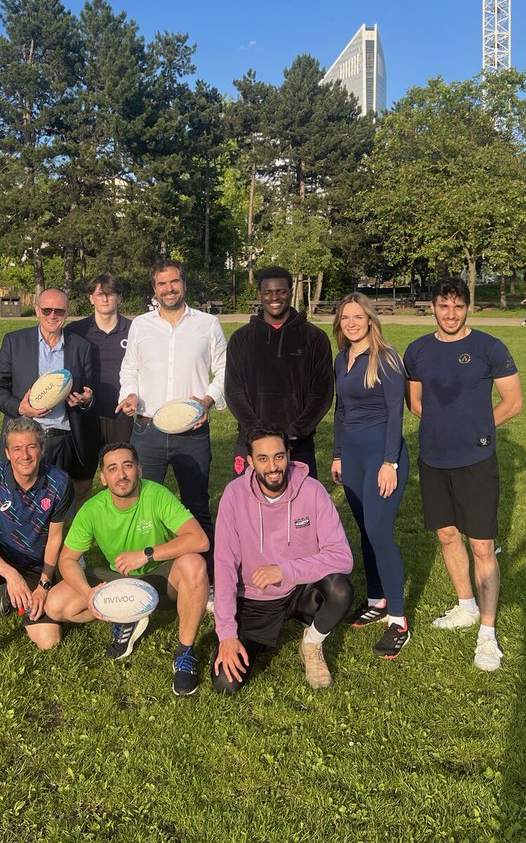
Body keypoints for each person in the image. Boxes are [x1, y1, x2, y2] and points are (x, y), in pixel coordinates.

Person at [404, 277, 523, 672]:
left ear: (467, 307)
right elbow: (415, 402)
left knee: (483, 546)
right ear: (432, 308)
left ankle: (487, 633)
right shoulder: (417, 350)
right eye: (444, 305)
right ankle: (465, 606)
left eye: (458, 306)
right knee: (446, 534)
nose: (451, 314)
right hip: (434, 459)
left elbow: (513, 402)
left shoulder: (490, 347)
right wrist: (445, 428)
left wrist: (475, 431)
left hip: (476, 460)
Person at [46, 441, 209, 695]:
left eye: (127, 466)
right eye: (112, 469)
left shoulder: (156, 494)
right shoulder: (92, 509)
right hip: (120, 579)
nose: (121, 475)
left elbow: (199, 540)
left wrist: (146, 554)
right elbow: (67, 560)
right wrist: (89, 594)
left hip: (163, 577)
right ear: (103, 478)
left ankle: (185, 654)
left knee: (194, 563)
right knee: (55, 605)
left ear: (139, 470)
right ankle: (126, 617)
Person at [212, 426, 353, 694]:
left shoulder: (312, 490)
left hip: (301, 589)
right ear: (250, 462)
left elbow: (342, 557)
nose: (273, 467)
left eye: (279, 456)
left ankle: (311, 643)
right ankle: (258, 638)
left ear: (288, 454)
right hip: (255, 597)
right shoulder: (233, 495)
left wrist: (284, 571)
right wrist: (227, 634)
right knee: (225, 684)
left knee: (339, 589)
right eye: (263, 459)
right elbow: (224, 566)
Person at [117, 259, 226, 571]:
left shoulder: (208, 324)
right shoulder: (141, 325)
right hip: (147, 430)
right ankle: (142, 574)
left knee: (196, 505)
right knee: (140, 504)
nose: (169, 289)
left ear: (184, 284)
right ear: (154, 289)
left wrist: (207, 401)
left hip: (192, 432)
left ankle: (206, 577)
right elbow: (129, 369)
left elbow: (224, 371)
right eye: (162, 284)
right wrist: (130, 394)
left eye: (174, 282)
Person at [0, 418, 72, 677]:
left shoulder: (60, 482)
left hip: (36, 565)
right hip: (0, 560)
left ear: (42, 448)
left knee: (49, 641)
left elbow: (55, 539)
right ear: (7, 453)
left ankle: (14, 595)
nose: (25, 455)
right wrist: (11, 575)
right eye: (17, 449)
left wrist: (43, 585)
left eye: (31, 447)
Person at [331, 294, 410, 658]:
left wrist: (389, 463)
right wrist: (337, 455)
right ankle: (377, 600)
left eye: (358, 317)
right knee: (364, 529)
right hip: (352, 456)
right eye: (345, 317)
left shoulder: (387, 357)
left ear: (370, 320)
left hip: (381, 455)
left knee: (379, 530)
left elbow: (396, 413)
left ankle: (399, 620)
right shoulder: (341, 359)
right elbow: (341, 411)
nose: (351, 323)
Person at [225, 265, 333, 480]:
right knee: (247, 499)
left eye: (281, 291)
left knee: (302, 500)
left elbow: (322, 394)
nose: (274, 297)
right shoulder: (241, 338)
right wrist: (258, 432)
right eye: (268, 292)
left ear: (290, 292)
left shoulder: (314, 338)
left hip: (298, 444)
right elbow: (234, 391)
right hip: (252, 441)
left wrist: (295, 433)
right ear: (260, 295)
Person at [0, 287, 96, 479]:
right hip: (25, 437)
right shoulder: (14, 341)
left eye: (59, 311)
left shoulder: (82, 347)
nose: (52, 316)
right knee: (22, 494)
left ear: (67, 313)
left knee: (61, 494)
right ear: (37, 311)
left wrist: (86, 401)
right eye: (47, 310)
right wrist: (19, 408)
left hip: (63, 439)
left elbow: (88, 391)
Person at [64, 273, 132, 505]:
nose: (104, 299)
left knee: (121, 481)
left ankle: (118, 524)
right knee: (81, 483)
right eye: (99, 294)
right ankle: (81, 525)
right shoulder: (76, 331)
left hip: (121, 416)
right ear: (90, 298)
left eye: (110, 294)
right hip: (85, 416)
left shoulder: (134, 330)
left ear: (119, 298)